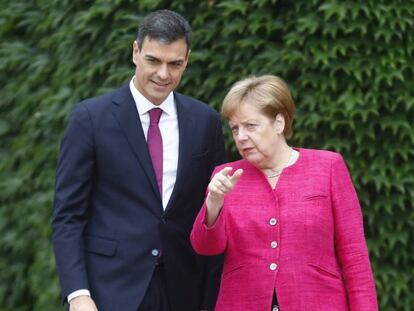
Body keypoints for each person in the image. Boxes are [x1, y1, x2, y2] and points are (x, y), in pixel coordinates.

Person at [52, 9, 225, 311]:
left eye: (175, 64)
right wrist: (78, 294)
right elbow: (68, 216)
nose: (163, 74)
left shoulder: (206, 122)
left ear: (187, 60)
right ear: (135, 51)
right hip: (109, 291)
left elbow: (215, 213)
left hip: (184, 290)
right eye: (153, 60)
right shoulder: (90, 118)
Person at [190, 75, 378, 310]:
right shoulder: (226, 177)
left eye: (250, 125)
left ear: (278, 123)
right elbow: (206, 247)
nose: (240, 137)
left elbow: (355, 257)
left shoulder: (328, 167)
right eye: (235, 128)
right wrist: (213, 203)